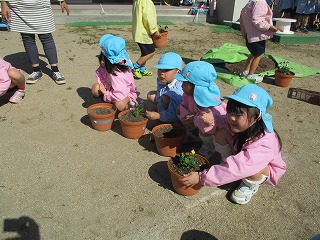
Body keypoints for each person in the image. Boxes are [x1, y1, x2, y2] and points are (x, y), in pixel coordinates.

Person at [179, 84, 287, 205]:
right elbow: (217, 121)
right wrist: (206, 120)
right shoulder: (239, 123)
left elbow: (241, 166)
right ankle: (227, 168)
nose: (231, 118)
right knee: (221, 133)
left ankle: (250, 184)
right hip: (241, 154)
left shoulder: (264, 143)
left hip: (259, 168)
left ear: (256, 117)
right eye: (229, 112)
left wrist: (201, 178)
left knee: (254, 170)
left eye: (238, 114)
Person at [0, 0, 69, 85]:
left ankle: (55, 70)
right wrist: (3, 3)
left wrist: (62, 1)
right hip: (19, 8)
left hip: (40, 7)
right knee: (27, 38)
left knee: (46, 37)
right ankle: (36, 71)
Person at [175, 61, 227, 159]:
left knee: (203, 124)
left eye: (185, 84)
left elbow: (210, 121)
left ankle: (209, 146)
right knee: (180, 110)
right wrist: (184, 114)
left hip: (212, 126)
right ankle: (194, 134)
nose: (181, 86)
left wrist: (195, 118)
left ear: (197, 87)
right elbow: (184, 105)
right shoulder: (188, 94)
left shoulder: (210, 104)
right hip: (196, 121)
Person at [91, 34, 139, 112]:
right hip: (112, 89)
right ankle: (108, 103)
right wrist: (103, 84)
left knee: (119, 105)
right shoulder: (107, 66)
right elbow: (99, 73)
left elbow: (119, 95)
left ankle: (129, 101)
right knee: (95, 88)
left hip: (124, 94)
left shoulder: (117, 75)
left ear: (104, 57)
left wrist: (105, 93)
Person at [240, 0, 280, 83]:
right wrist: (270, 27)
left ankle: (245, 71)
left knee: (253, 54)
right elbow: (257, 20)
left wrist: (244, 33)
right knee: (258, 55)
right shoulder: (260, 2)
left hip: (250, 34)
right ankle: (251, 75)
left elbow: (243, 17)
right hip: (257, 36)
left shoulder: (251, 2)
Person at [146, 52, 183, 123]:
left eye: (166, 70)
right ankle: (163, 109)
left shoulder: (177, 91)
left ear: (178, 72)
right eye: (160, 69)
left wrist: (159, 116)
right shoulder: (162, 79)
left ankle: (167, 118)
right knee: (151, 95)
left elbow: (175, 115)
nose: (161, 73)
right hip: (165, 99)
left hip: (177, 112)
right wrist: (159, 107)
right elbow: (159, 91)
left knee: (165, 97)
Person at [132, 0, 161, 79]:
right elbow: (148, 18)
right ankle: (135, 67)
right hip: (144, 32)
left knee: (144, 53)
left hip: (138, 31)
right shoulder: (146, 2)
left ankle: (142, 69)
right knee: (151, 52)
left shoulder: (137, 1)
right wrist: (154, 30)